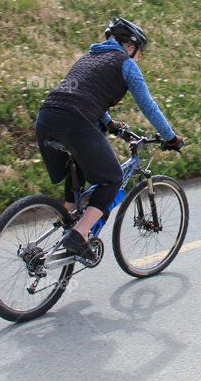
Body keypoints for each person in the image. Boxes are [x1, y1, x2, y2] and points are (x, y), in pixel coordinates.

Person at [35, 17, 184, 261]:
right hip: (76, 121)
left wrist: (110, 123)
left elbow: (81, 94)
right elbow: (149, 107)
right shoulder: (126, 64)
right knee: (113, 178)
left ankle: (59, 235)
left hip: (46, 118)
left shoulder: (89, 58)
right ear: (130, 46)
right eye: (140, 51)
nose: (139, 57)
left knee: (78, 172)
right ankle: (80, 235)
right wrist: (170, 137)